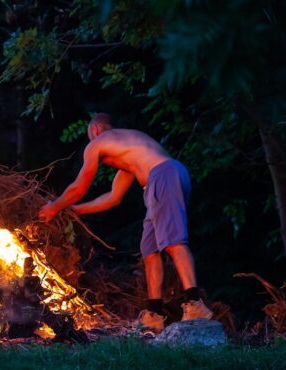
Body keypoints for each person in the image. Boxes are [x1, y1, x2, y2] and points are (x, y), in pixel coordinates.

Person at [39, 113, 213, 331]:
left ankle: (195, 303)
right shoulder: (129, 154)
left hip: (164, 176)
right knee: (149, 250)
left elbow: (79, 186)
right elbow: (113, 197)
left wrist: (54, 206)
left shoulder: (98, 143)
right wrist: (75, 210)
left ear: (94, 130)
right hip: (159, 182)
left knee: (172, 241)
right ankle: (154, 315)